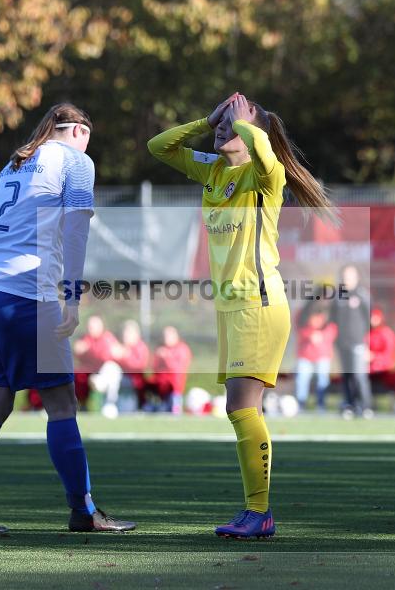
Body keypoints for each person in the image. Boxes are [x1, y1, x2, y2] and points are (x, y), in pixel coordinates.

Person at [0, 103, 135, 534]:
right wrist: (72, 298)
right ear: (80, 132)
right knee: (61, 403)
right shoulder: (76, 161)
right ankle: (84, 511)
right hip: (23, 292)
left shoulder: (16, 162)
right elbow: (76, 231)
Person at [148, 92, 336, 538]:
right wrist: (207, 119)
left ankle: (259, 512)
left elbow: (267, 156)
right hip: (230, 308)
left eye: (230, 125)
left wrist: (246, 122)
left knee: (241, 407)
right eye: (221, 123)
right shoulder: (213, 170)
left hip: (259, 304)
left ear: (252, 135)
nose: (222, 129)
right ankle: (255, 511)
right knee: (240, 409)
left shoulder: (265, 176)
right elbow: (159, 147)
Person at [330, 264, 372, 419]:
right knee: (346, 376)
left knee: (359, 375)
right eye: (345, 275)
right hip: (342, 343)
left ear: (356, 277)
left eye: (350, 275)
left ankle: (365, 406)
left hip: (358, 342)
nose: (347, 278)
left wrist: (367, 343)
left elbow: (369, 319)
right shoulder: (338, 295)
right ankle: (349, 405)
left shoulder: (362, 295)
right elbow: (333, 318)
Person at [294, 301, 337, 411]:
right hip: (305, 354)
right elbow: (298, 327)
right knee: (302, 380)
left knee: (323, 380)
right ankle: (301, 404)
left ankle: (321, 404)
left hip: (323, 354)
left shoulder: (329, 313)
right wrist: (310, 335)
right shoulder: (303, 312)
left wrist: (322, 336)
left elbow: (333, 329)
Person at [73, 315, 122, 411]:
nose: (91, 329)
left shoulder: (107, 338)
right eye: (90, 326)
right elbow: (78, 351)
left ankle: (110, 404)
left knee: (112, 368)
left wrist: (90, 349)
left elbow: (110, 354)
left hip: (104, 373)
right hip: (90, 373)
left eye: (94, 326)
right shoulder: (86, 338)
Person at [146, 326, 193, 413]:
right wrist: (157, 357)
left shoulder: (182, 348)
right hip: (160, 387)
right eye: (164, 335)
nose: (166, 338)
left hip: (174, 388)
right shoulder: (160, 348)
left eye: (169, 335)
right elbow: (153, 368)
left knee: (173, 410)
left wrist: (167, 357)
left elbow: (178, 368)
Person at [112, 320, 150, 412]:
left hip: (134, 383)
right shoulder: (122, 347)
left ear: (136, 334)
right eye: (125, 333)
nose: (125, 336)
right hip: (122, 381)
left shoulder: (140, 347)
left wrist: (125, 356)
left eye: (129, 333)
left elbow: (139, 366)